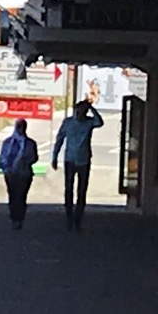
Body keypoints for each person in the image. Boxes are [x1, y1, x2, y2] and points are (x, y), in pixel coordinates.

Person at [52, 99, 104, 231]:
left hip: (84, 159)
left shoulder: (89, 123)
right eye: (79, 111)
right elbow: (60, 139)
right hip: (70, 159)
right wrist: (54, 156)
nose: (80, 114)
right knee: (68, 188)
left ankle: (78, 218)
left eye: (83, 111)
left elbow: (100, 122)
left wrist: (92, 108)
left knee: (82, 191)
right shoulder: (68, 122)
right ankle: (69, 216)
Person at [0, 118, 38, 230]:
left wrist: (25, 160)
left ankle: (19, 219)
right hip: (10, 173)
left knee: (21, 196)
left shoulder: (30, 143)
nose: (21, 129)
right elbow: (2, 156)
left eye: (22, 126)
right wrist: (5, 168)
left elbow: (34, 158)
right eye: (19, 126)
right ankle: (14, 218)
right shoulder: (8, 142)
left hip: (24, 173)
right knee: (12, 196)